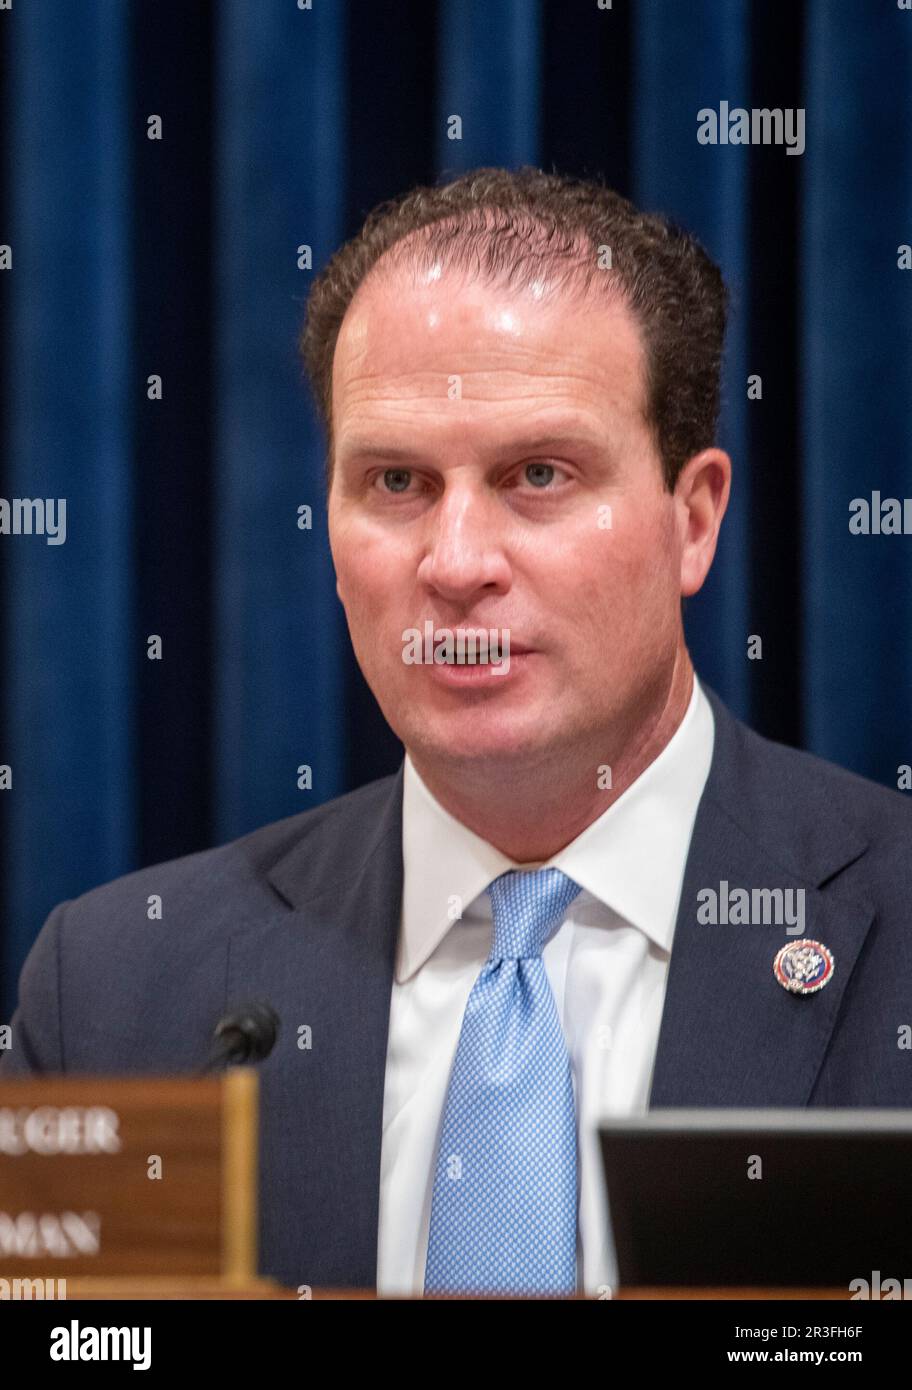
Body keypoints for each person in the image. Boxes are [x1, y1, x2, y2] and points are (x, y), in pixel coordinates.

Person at [1, 168, 910, 1298]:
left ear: (693, 519)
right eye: (396, 481)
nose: (456, 563)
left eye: (538, 474)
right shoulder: (118, 991)